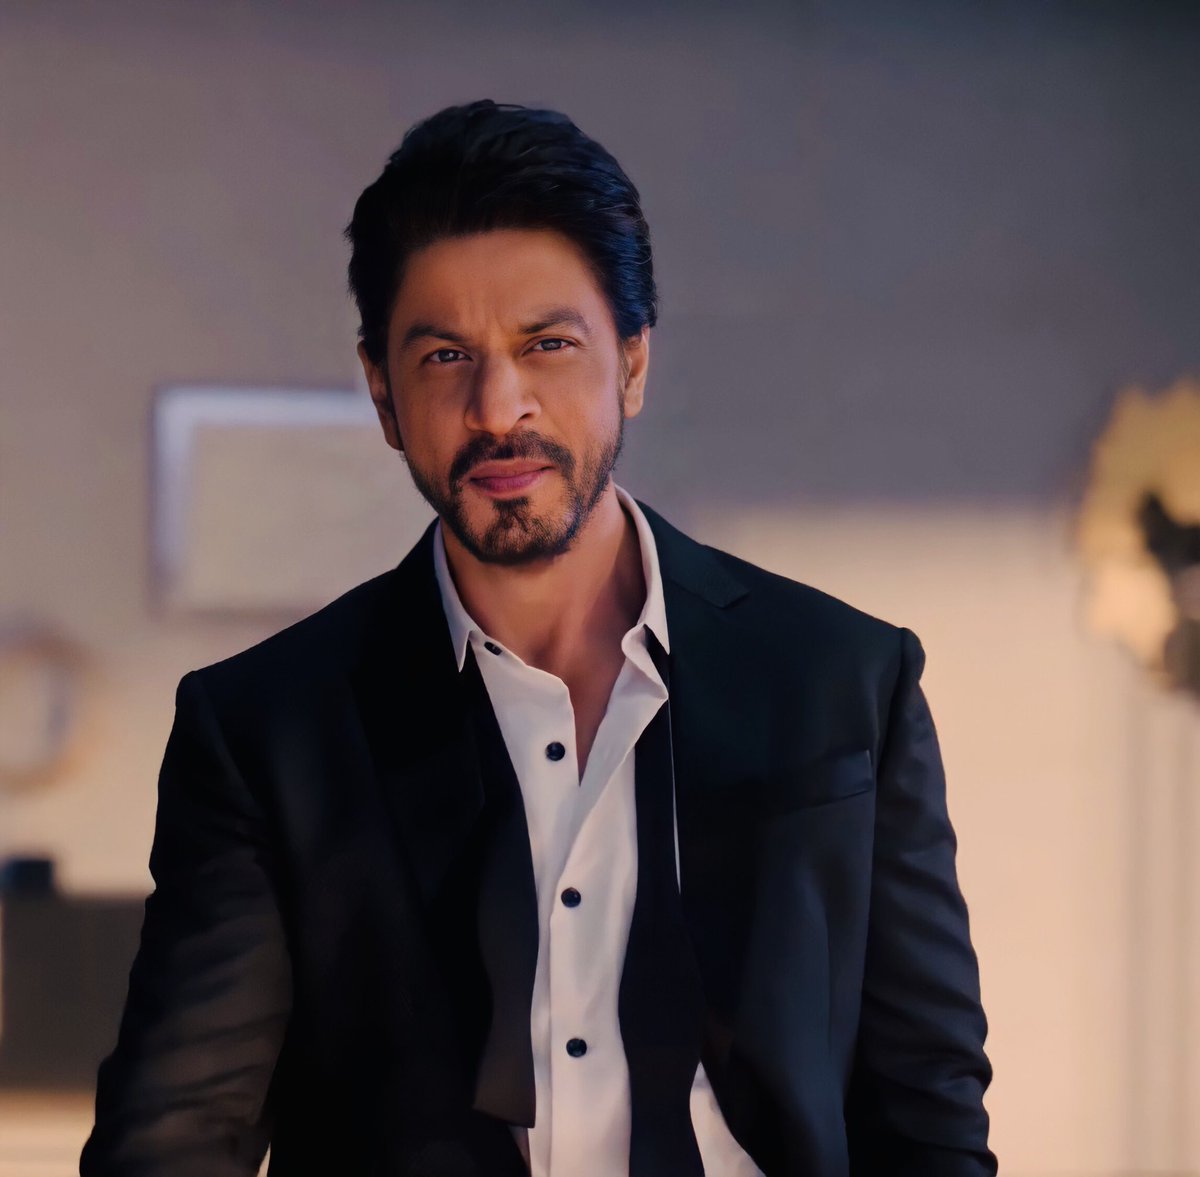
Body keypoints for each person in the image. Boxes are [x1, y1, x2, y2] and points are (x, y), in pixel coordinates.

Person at [81, 99, 995, 1177]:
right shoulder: (265, 730)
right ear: (382, 392)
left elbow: (928, 1115)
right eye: (443, 356)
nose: (497, 406)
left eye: (547, 345)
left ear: (633, 363)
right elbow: (175, 1135)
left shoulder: (843, 681)